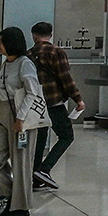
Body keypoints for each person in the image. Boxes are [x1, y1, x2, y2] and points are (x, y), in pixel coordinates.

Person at [0, 27, 47, 216]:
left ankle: (21, 208)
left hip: (21, 119)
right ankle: (7, 196)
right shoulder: (5, 64)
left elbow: (32, 93)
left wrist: (20, 119)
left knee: (21, 165)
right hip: (3, 117)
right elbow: (1, 95)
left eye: (0, 41)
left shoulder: (25, 64)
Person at [26, 23, 79, 193]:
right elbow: (65, 78)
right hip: (54, 102)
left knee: (39, 139)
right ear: (50, 34)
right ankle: (44, 169)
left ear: (34, 35)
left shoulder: (28, 54)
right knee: (66, 135)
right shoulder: (56, 52)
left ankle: (34, 178)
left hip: (36, 105)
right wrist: (77, 99)